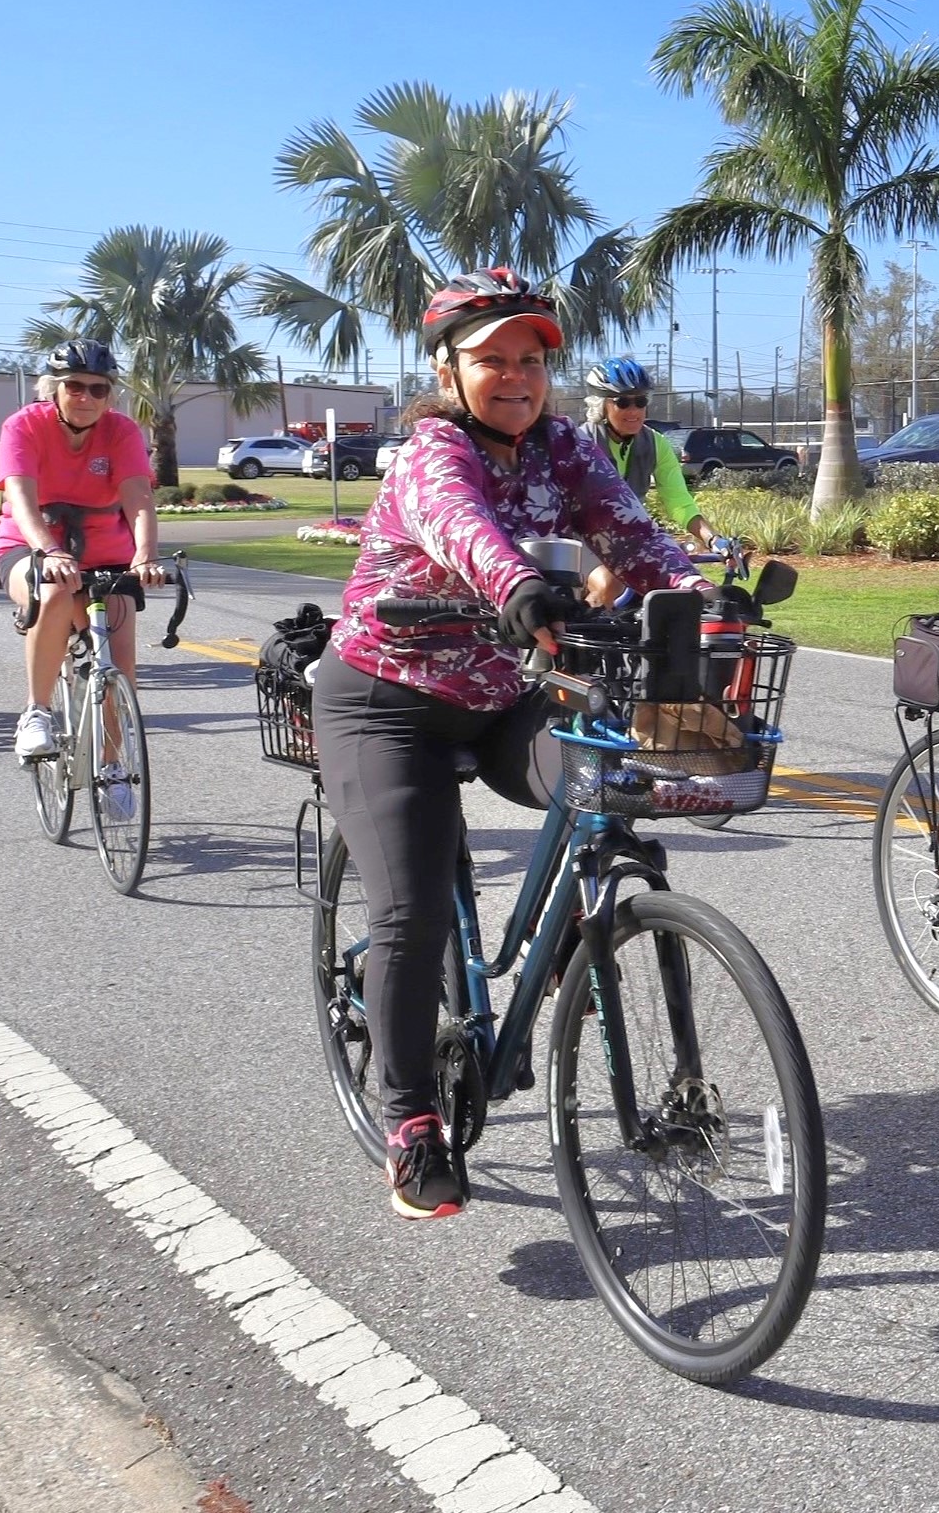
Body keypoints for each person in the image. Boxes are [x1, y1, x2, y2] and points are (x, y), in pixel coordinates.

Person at [314, 269, 716, 1220]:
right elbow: (464, 527)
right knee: (409, 912)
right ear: (447, 370)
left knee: (605, 794)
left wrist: (698, 595)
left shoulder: (567, 447)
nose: (514, 377)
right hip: (386, 700)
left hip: (505, 699)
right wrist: (519, 588)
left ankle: (575, 966)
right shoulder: (429, 452)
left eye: (529, 360)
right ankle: (410, 1120)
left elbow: (632, 533)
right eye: (490, 359)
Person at [0, 340, 167, 768]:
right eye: (74, 387)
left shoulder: (121, 431)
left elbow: (138, 498)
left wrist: (144, 555)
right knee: (51, 594)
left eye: (98, 389)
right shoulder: (23, 425)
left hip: (106, 551)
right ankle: (36, 711)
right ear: (53, 389)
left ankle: (112, 767)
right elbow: (21, 497)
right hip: (30, 544)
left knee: (120, 666)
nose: (86, 397)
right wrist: (48, 550)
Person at [575, 356, 721, 606]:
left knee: (691, 590)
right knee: (610, 584)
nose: (633, 411)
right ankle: (574, 639)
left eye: (640, 401)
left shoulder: (656, 443)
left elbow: (678, 501)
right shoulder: (580, 442)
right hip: (581, 539)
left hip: (630, 540)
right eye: (622, 402)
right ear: (601, 405)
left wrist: (714, 540)